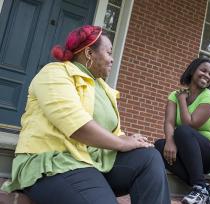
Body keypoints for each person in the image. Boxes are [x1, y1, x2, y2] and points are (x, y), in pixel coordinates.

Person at [0, 25, 170, 204]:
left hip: (93, 161)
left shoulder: (103, 88)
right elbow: (76, 125)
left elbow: (111, 131)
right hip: (56, 162)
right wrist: (121, 142)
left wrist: (128, 139)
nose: (113, 59)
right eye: (109, 52)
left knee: (148, 157)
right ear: (89, 53)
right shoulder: (55, 73)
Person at [154, 58, 210, 204]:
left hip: (208, 153)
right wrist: (170, 142)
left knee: (183, 130)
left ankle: (199, 187)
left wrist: (182, 101)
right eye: (203, 70)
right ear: (192, 71)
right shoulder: (175, 94)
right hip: (186, 150)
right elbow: (169, 122)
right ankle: (204, 188)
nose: (207, 75)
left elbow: (190, 124)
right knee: (160, 145)